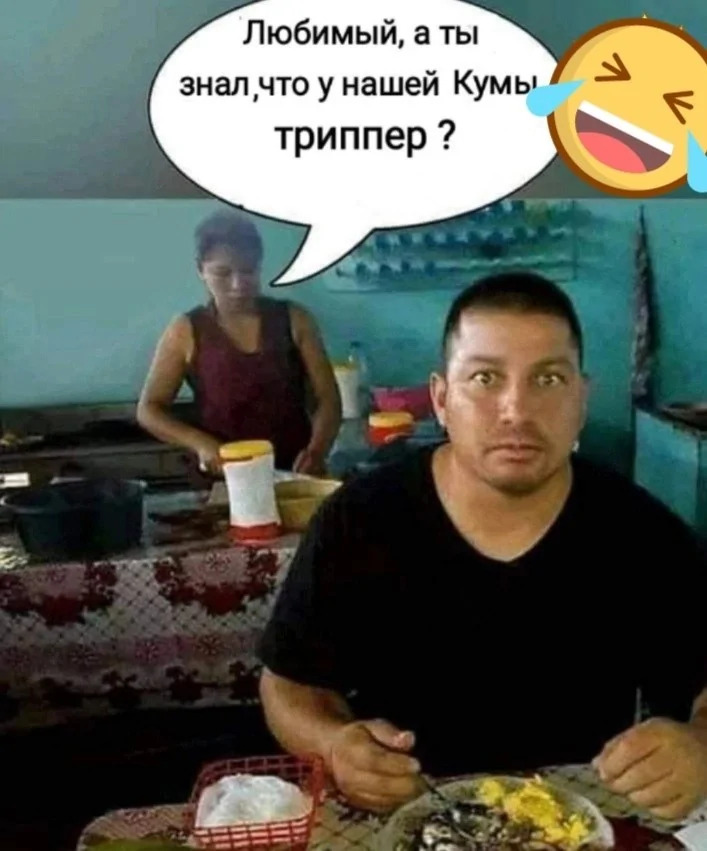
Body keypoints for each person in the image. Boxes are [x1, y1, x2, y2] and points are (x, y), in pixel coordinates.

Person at [258, 272, 707, 819]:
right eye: (485, 377)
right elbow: (288, 684)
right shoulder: (360, 520)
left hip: (575, 824)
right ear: (441, 399)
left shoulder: (641, 534)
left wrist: (700, 745)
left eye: (548, 379)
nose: (516, 410)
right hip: (402, 819)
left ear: (581, 398)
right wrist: (333, 744)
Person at [137, 209, 342, 476]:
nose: (237, 284)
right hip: (225, 478)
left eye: (248, 271)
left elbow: (328, 399)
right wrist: (200, 443)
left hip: (296, 473)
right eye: (222, 273)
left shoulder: (294, 319)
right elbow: (149, 410)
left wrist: (316, 451)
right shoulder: (186, 330)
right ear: (200, 269)